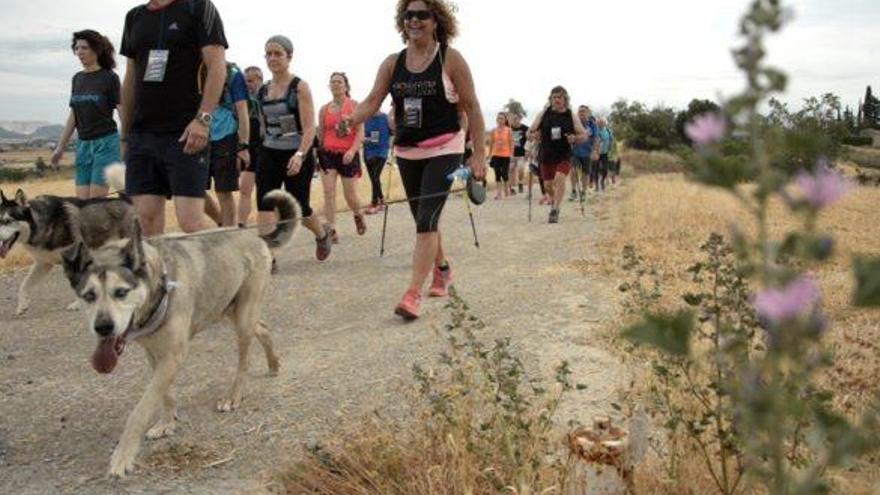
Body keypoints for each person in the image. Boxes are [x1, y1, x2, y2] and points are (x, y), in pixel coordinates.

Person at [348, 0, 486, 320]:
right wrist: (351, 120)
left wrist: (478, 154)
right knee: (425, 219)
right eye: (409, 15)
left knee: (425, 221)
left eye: (422, 15)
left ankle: (412, 294)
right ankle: (443, 270)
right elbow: (372, 101)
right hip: (408, 151)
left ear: (435, 20)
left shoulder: (450, 58)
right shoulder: (392, 63)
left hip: (445, 148)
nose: (415, 20)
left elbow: (473, 107)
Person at [119, 0, 227, 236]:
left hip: (186, 132)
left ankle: (224, 262)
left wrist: (203, 119)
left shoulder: (199, 7)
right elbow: (130, 77)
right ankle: (161, 274)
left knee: (191, 224)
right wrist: (125, 135)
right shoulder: (134, 17)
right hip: (142, 133)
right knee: (145, 221)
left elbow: (217, 66)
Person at [256, 35, 331, 262]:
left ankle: (321, 234)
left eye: (278, 53)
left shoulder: (300, 87)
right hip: (270, 152)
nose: (272, 58)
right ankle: (269, 257)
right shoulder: (262, 91)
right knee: (265, 203)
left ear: (289, 57)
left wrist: (300, 154)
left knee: (299, 206)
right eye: (268, 54)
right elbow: (263, 124)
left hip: (297, 153)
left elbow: (309, 129)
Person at [52, 30, 121, 200]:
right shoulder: (77, 79)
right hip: (82, 145)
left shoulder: (109, 78)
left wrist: (127, 140)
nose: (79, 52)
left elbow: (122, 110)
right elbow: (74, 114)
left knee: (95, 204)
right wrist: (61, 147)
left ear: (96, 50)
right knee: (82, 204)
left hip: (106, 144)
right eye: (77, 48)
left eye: (84, 47)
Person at [317, 72, 366, 242]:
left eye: (339, 82)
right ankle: (331, 229)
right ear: (329, 86)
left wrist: (352, 150)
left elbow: (360, 132)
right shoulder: (324, 109)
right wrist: (319, 155)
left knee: (350, 195)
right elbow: (321, 135)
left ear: (346, 86)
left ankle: (358, 214)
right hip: (329, 154)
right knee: (328, 192)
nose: (335, 84)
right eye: (332, 82)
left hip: (348, 154)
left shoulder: (354, 106)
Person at [528, 86, 587, 224]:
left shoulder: (571, 115)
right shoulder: (543, 114)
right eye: (554, 97)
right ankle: (555, 201)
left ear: (565, 99)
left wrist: (575, 139)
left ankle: (555, 209)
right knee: (548, 185)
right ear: (550, 99)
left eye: (559, 97)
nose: (556, 100)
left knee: (559, 178)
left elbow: (583, 135)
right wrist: (534, 135)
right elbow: (529, 133)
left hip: (563, 154)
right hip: (546, 154)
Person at [203, 62, 250, 227]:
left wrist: (243, 145)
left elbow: (243, 110)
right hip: (200, 136)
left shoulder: (232, 74)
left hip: (226, 137)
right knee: (194, 189)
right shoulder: (193, 71)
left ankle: (228, 234)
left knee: (223, 191)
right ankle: (221, 223)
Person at [238, 65, 264, 226]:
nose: (248, 85)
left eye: (250, 81)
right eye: (245, 81)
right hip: (250, 148)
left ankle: (271, 225)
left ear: (260, 79)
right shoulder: (243, 101)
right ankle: (241, 225)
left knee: (265, 191)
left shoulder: (268, 96)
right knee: (245, 189)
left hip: (267, 148)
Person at [363, 109, 393, 214]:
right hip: (368, 152)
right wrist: (366, 139)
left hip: (382, 152)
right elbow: (362, 136)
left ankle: (374, 203)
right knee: (373, 179)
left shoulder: (386, 118)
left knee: (375, 177)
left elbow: (393, 131)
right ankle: (382, 201)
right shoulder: (366, 119)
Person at [570, 105, 597, 202]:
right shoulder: (574, 124)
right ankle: (573, 191)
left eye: (584, 111)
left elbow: (595, 138)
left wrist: (594, 151)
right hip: (575, 152)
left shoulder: (592, 124)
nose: (581, 113)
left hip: (587, 152)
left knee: (586, 173)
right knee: (573, 171)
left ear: (588, 113)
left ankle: (584, 192)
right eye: (580, 111)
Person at [487, 112, 513, 199]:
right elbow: (491, 143)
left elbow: (511, 143)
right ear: (496, 120)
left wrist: (511, 154)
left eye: (502, 118)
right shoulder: (493, 130)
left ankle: (506, 188)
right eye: (498, 118)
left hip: (506, 155)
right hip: (496, 154)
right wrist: (489, 154)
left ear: (505, 120)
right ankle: (499, 193)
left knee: (504, 174)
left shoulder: (508, 130)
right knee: (497, 173)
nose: (500, 120)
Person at [510, 112, 529, 194]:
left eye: (516, 119)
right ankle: (511, 187)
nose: (515, 120)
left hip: (521, 154)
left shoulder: (525, 129)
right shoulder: (509, 128)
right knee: (510, 170)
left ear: (520, 119)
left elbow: (529, 140)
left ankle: (520, 182)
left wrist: (527, 152)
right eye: (513, 119)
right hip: (511, 154)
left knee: (521, 169)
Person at [595, 117, 614, 191]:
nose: (601, 123)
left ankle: (602, 181)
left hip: (605, 153)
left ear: (605, 123)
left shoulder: (609, 131)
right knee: (596, 169)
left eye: (602, 122)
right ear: (597, 123)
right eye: (599, 122)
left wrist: (610, 147)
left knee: (605, 169)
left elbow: (611, 140)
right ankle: (596, 185)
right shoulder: (595, 131)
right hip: (597, 153)